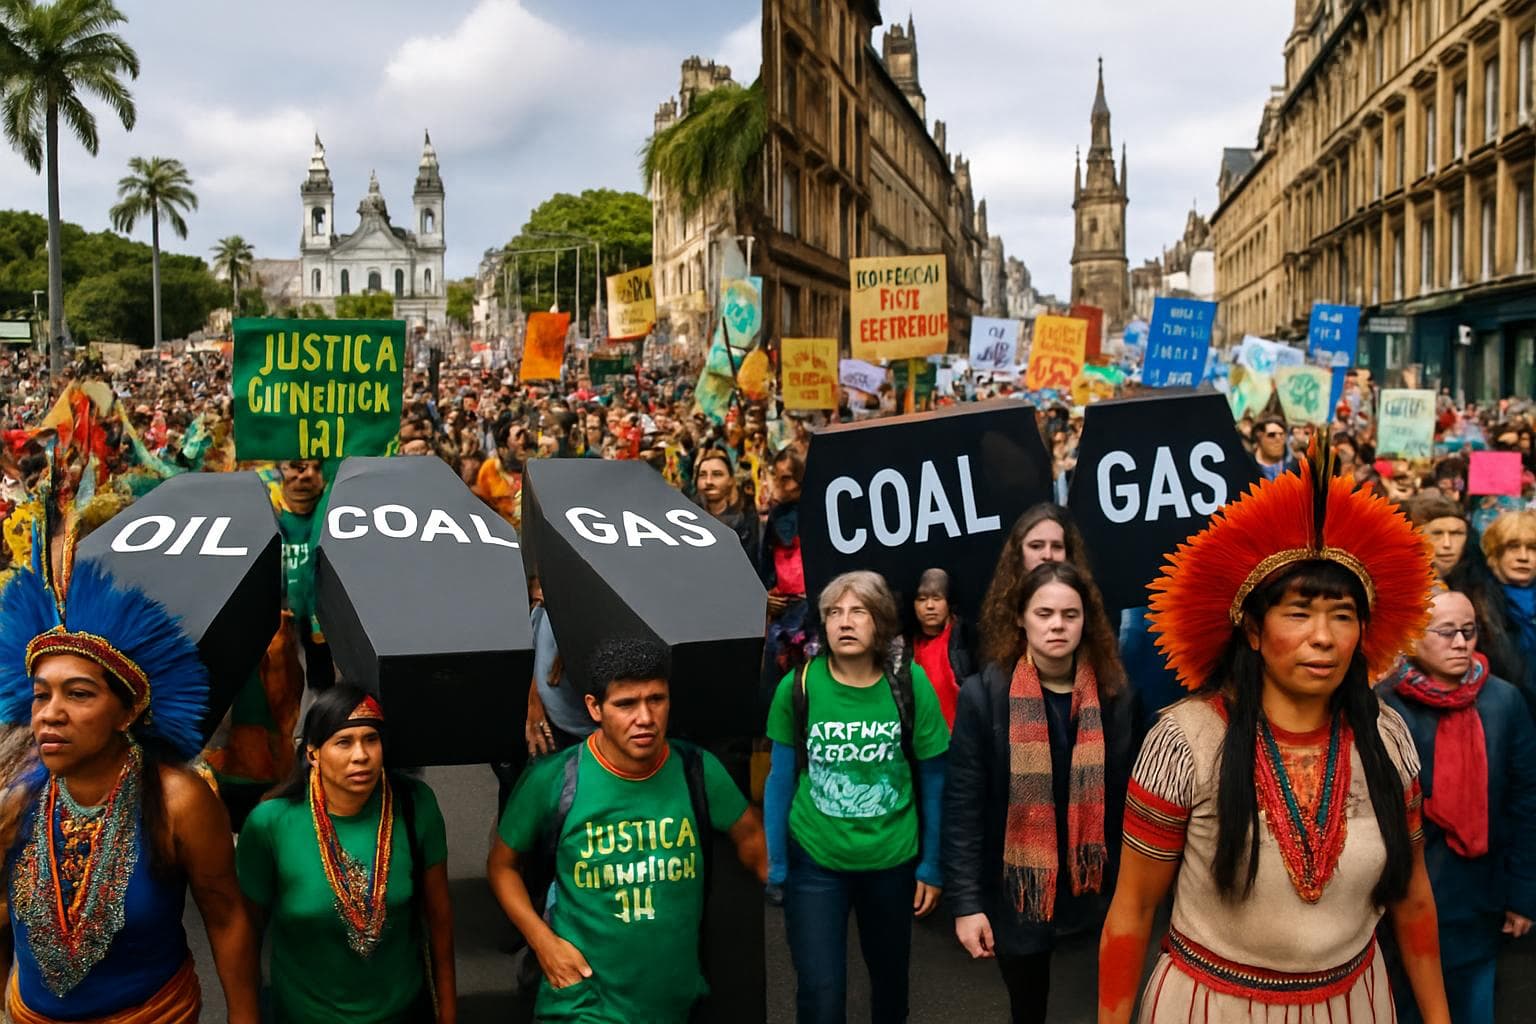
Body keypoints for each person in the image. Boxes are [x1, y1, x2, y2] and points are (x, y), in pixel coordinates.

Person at [1098, 441, 1451, 1024]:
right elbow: (1133, 909)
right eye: (1298, 612)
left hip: (1354, 1005)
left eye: (1342, 616)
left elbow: (1412, 898)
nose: (1323, 637)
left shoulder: (1387, 736)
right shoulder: (1184, 742)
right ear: (1254, 633)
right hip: (1210, 1007)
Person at [0, 551, 261, 1023]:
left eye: (78, 693)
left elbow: (226, 919)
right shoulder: (17, 798)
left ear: (126, 713)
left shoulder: (180, 800)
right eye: (42, 694)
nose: (50, 712)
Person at [488, 636, 767, 1024]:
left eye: (656, 699)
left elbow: (755, 842)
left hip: (672, 1001)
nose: (645, 718)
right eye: (625, 704)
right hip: (581, 1002)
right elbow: (502, 866)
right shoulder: (555, 780)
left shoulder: (698, 771)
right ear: (595, 708)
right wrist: (543, 943)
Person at [946, 561, 1134, 1024]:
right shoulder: (983, 695)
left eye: (1070, 615)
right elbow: (963, 806)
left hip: (1095, 893)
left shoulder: (1116, 695)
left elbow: (1130, 800)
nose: (1057, 625)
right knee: (1027, 1011)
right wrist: (967, 904)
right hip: (1018, 892)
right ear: (1020, 618)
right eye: (1044, 613)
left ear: (1086, 620)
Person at [764, 571, 950, 1024]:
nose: (845, 622)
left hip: (891, 861)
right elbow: (780, 778)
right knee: (821, 995)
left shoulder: (911, 685)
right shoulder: (800, 686)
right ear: (823, 624)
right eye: (834, 613)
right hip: (815, 862)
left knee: (890, 986)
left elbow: (935, 779)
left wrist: (931, 864)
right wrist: (778, 864)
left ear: (880, 622)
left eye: (859, 612)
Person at [237, 685, 457, 1023]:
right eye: (343, 742)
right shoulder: (270, 823)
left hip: (400, 1012)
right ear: (313, 754)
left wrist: (448, 1014)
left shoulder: (416, 806)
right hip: (304, 1015)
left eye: (371, 739)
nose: (361, 755)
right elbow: (246, 934)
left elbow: (440, 922)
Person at [1377, 588, 1536, 1024]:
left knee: (1474, 1006)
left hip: (1480, 897)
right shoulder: (1383, 705)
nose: (1462, 642)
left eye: (1469, 631)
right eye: (1446, 632)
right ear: (1411, 637)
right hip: (1402, 900)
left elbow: (1526, 803)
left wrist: (1523, 894)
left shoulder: (1504, 700)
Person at [1479, 509, 1536, 715]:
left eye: (1532, 548)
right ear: (1495, 553)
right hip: (1507, 712)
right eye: (1513, 547)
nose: (1523, 557)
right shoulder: (1477, 603)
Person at [908, 567, 976, 730]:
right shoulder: (903, 647)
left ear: (948, 602)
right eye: (922, 599)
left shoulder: (969, 639)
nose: (929, 606)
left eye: (937, 598)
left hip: (964, 736)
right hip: (925, 742)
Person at [693, 449, 761, 563]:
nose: (708, 481)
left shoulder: (747, 519)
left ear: (731, 480)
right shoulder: (688, 515)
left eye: (717, 474)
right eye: (702, 475)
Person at [1251, 414, 1297, 481]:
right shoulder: (1246, 467)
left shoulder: (1295, 468)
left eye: (1281, 435)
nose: (1278, 439)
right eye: (1272, 435)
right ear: (1259, 436)